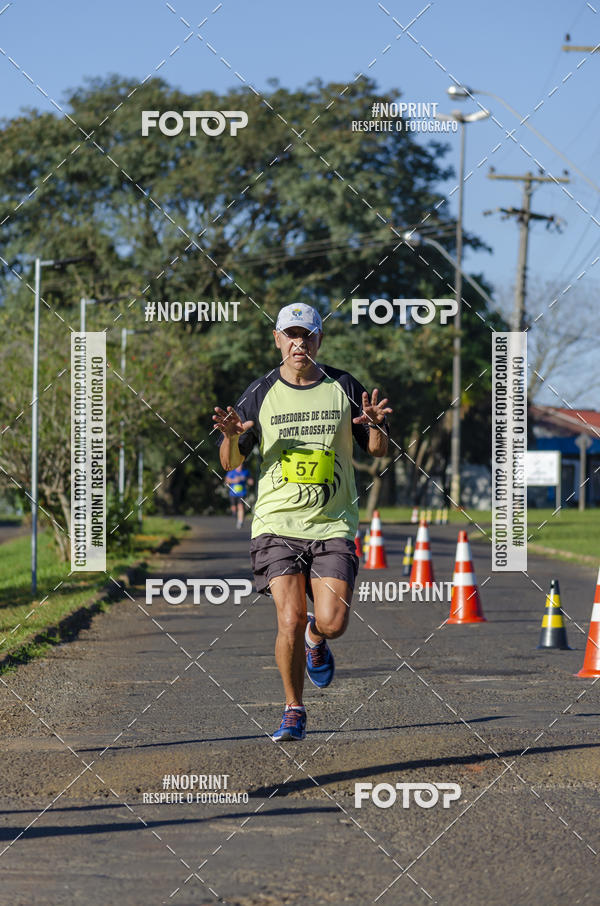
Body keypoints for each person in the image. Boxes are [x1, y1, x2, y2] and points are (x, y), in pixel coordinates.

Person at [213, 303, 391, 741]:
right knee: (288, 618)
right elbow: (231, 461)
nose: (299, 344)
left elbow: (378, 450)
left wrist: (375, 428)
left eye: (307, 336)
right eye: (290, 335)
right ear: (277, 339)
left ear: (319, 340)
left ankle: (317, 638)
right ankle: (293, 709)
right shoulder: (259, 392)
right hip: (276, 523)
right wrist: (232, 439)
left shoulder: (343, 385)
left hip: (332, 524)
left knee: (333, 622)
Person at [225, 464, 253, 528]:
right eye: (239, 465)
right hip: (233, 493)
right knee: (234, 508)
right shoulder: (231, 472)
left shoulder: (245, 472)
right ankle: (235, 514)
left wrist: (247, 480)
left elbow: (250, 481)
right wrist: (234, 480)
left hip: (242, 493)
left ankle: (240, 522)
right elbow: (226, 481)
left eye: (241, 465)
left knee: (241, 507)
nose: (240, 466)